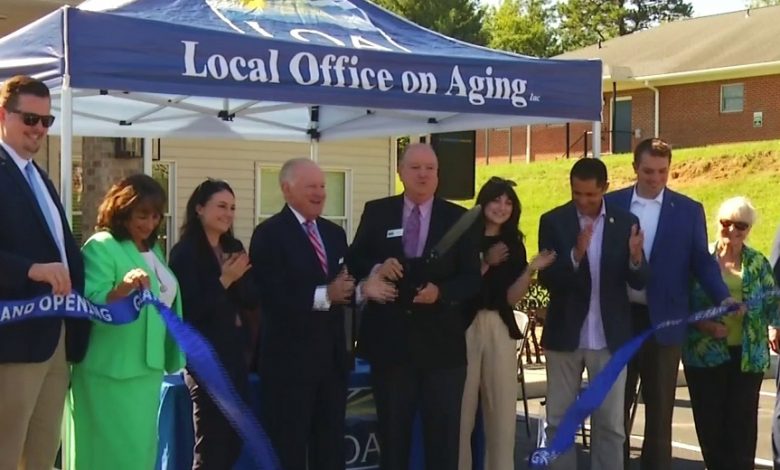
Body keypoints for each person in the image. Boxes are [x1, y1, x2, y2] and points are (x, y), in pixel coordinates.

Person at [347, 143, 481, 470]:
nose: (423, 174)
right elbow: (354, 259)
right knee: (393, 442)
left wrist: (441, 293)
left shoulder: (459, 219)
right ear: (401, 172)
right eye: (415, 167)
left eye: (430, 169)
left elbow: (471, 281)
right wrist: (378, 266)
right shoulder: (377, 211)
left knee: (443, 442)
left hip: (442, 351)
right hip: (391, 348)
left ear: (438, 175)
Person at [604, 138, 732, 470]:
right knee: (614, 407)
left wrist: (724, 296)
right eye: (648, 171)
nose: (655, 179)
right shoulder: (612, 205)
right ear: (634, 168)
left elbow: (701, 263)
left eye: (662, 171)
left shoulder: (688, 210)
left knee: (660, 412)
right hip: (619, 318)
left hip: (665, 321)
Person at [63, 174, 185, 470]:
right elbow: (91, 302)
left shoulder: (152, 249)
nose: (150, 223)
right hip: (109, 370)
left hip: (147, 369)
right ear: (122, 210)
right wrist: (125, 287)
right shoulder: (101, 246)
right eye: (141, 215)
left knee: (140, 455)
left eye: (156, 215)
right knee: (108, 455)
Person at [0, 75, 90, 470]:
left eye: (46, 121)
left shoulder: (39, 177)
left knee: (40, 455)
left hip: (54, 337)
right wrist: (30, 269)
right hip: (13, 340)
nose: (38, 129)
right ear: (3, 115)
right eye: (29, 119)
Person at [538, 157, 647, 470]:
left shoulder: (626, 222)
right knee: (559, 421)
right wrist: (575, 255)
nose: (583, 202)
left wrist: (636, 258)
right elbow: (548, 280)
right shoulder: (554, 221)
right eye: (577, 194)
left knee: (611, 426)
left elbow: (639, 280)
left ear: (605, 189)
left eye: (590, 195)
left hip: (610, 337)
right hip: (565, 336)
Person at [249, 158, 354, 470]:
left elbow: (344, 285)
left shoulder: (335, 234)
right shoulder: (268, 234)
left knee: (330, 449)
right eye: (312, 186)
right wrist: (324, 296)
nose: (320, 193)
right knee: (288, 449)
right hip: (288, 366)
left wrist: (356, 289)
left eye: (323, 186)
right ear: (286, 189)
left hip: (331, 365)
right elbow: (270, 294)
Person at [458, 176, 556, 470]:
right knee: (461, 413)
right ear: (483, 203)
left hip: (500, 326)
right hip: (464, 325)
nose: (502, 207)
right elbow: (459, 287)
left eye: (508, 202)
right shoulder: (465, 238)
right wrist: (486, 261)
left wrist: (530, 270)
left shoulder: (514, 244)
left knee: (501, 412)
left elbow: (511, 299)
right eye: (496, 200)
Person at [682, 197, 778, 470]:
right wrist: (705, 325)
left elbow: (773, 304)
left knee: (742, 426)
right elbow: (682, 304)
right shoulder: (701, 261)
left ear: (749, 229)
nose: (733, 231)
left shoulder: (758, 262)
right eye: (726, 224)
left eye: (741, 226)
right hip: (704, 355)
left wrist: (753, 310)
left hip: (748, 356)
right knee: (710, 424)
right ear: (717, 224)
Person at [170, 179, 257, 470]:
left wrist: (240, 278)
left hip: (236, 353)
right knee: (211, 444)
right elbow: (192, 309)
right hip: (205, 358)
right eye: (221, 206)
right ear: (199, 208)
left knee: (234, 440)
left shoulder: (233, 247)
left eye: (232, 208)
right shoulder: (184, 254)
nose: (228, 214)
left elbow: (249, 298)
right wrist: (225, 280)